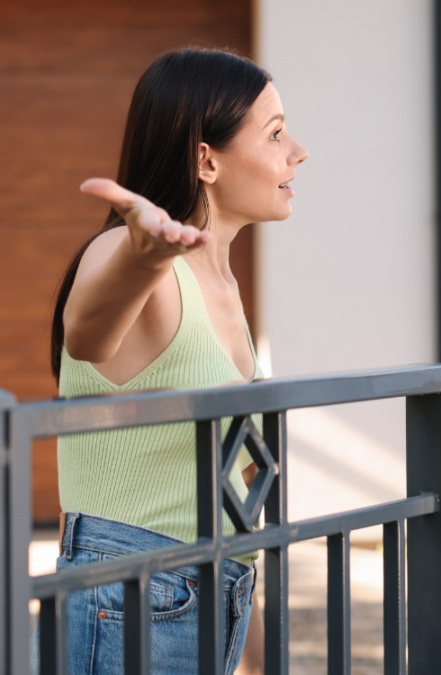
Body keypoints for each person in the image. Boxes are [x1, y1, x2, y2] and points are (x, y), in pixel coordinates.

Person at [35, 48, 307, 674]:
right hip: (127, 598)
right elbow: (87, 335)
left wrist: (262, 659)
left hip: (209, 596)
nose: (298, 150)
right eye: (274, 133)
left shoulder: (228, 289)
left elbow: (225, 506)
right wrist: (145, 255)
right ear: (206, 160)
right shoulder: (126, 257)